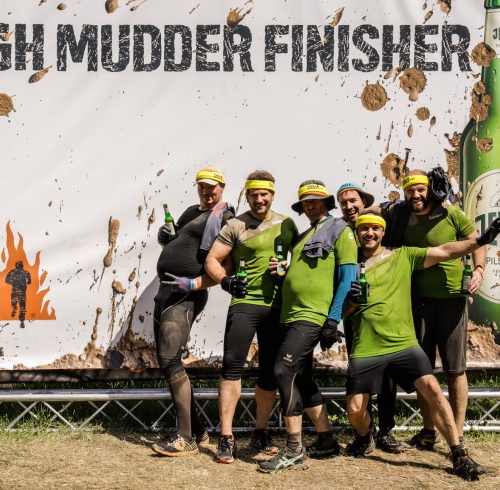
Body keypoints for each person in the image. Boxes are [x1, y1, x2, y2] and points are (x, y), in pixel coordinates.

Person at [344, 210, 500, 480]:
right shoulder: (349, 266)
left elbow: (444, 251)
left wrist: (479, 241)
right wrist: (351, 301)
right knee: (355, 410)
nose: (369, 233)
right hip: (366, 347)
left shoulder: (403, 255)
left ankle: (458, 453)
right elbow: (343, 312)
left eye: (375, 228)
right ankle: (365, 437)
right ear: (357, 233)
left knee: (432, 388)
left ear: (383, 232)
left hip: (403, 343)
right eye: (364, 229)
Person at [257, 180, 358, 473]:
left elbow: (347, 279)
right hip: (289, 315)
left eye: (315, 200)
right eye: (305, 202)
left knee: (283, 370)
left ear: (326, 202)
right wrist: (283, 272)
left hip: (311, 315)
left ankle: (294, 449)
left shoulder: (340, 230)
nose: (310, 205)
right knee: (301, 378)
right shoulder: (303, 236)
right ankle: (326, 440)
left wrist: (332, 320)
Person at [380, 169, 486, 449]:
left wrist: (478, 269)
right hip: (414, 301)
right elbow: (371, 215)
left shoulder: (450, 212)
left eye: (420, 189)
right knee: (422, 370)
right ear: (404, 193)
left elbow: (476, 241)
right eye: (410, 191)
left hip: (451, 299)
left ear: (429, 190)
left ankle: (457, 435)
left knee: (455, 370)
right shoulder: (400, 214)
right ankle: (428, 431)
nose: (415, 195)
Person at [205, 170, 299, 464]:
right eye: (254, 194)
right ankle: (226, 437)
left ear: (272, 194)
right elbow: (211, 259)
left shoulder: (287, 224)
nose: (259, 199)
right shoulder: (235, 225)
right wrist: (226, 281)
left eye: (264, 194)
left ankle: (260, 431)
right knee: (231, 368)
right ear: (246, 195)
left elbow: (300, 259)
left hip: (277, 307)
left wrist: (288, 266)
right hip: (245, 304)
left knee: (269, 373)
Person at [151, 167, 235, 457]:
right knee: (168, 362)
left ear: (222, 187)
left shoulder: (225, 217)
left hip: (186, 294)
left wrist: (195, 283)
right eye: (202, 186)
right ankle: (198, 431)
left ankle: (185, 438)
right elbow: (178, 243)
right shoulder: (190, 211)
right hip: (166, 291)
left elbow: (227, 267)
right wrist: (165, 239)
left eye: (212, 187)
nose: (207, 191)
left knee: (170, 360)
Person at [337, 183, 407, 454]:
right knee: (359, 372)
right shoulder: (339, 231)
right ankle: (365, 431)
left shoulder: (379, 221)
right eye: (344, 203)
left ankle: (386, 430)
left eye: (353, 201)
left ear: (364, 202)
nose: (349, 206)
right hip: (353, 312)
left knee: (388, 374)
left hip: (385, 313)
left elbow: (398, 207)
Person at [5, 261, 32, 328]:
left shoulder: (12, 272)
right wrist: (27, 282)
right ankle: (22, 320)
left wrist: (12, 282)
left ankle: (14, 309)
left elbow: (6, 280)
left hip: (15, 290)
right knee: (22, 305)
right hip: (22, 291)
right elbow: (29, 281)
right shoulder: (25, 272)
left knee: (14, 302)